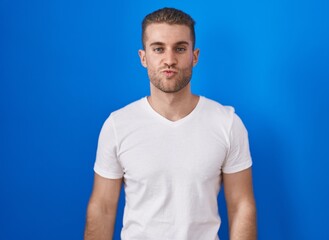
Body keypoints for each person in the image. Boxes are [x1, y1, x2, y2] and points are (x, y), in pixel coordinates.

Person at [84, 7, 256, 240]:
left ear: (194, 56)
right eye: (158, 49)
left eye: (180, 48)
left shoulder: (227, 124)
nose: (169, 60)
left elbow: (241, 206)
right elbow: (102, 208)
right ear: (143, 57)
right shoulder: (117, 125)